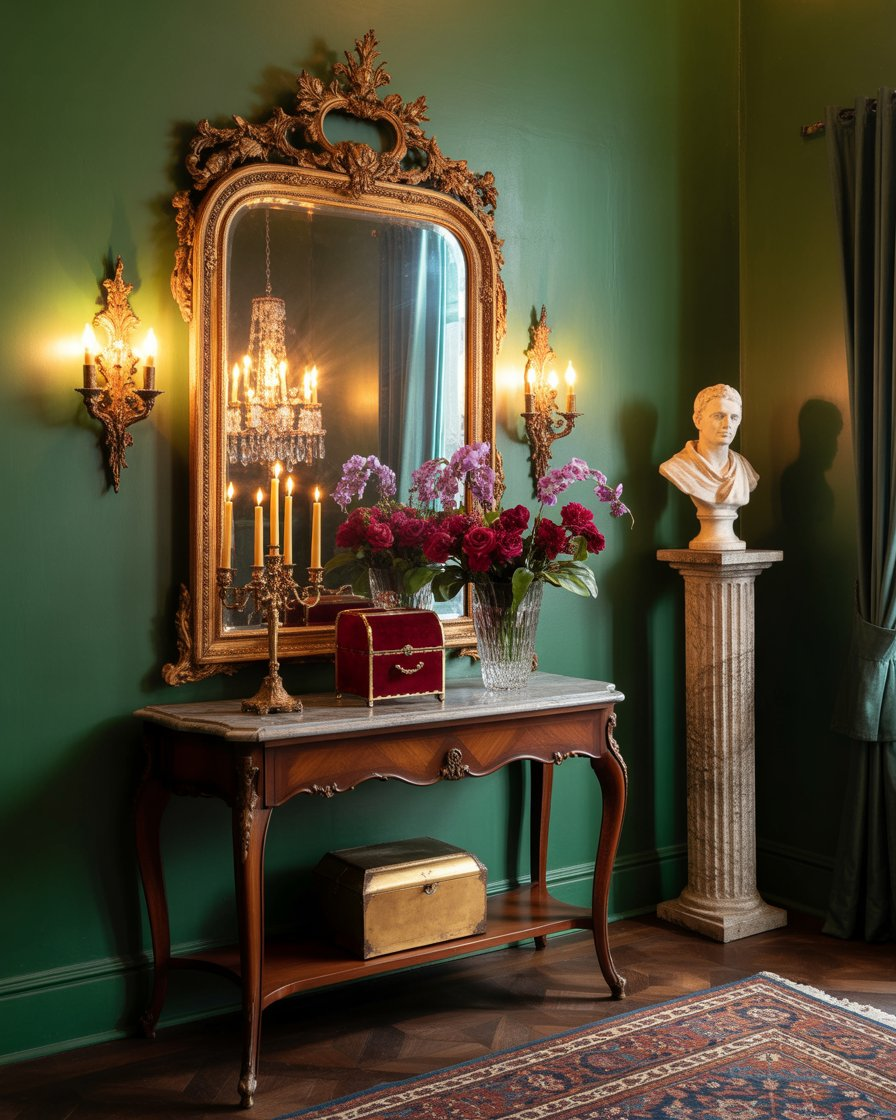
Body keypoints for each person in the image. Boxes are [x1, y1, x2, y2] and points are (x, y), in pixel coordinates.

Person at [659, 384, 758, 507]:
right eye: (719, 416)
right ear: (698, 420)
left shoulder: (744, 468)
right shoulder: (678, 467)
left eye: (734, 418)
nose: (728, 424)